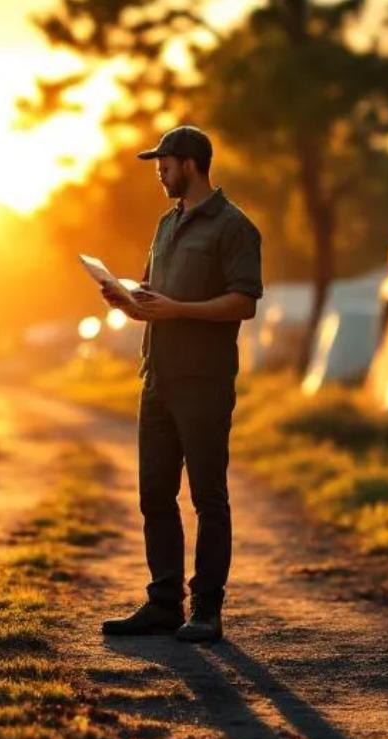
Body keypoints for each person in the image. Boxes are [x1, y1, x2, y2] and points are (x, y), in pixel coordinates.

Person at [100, 126, 263, 643]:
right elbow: (156, 300)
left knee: (208, 499)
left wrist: (177, 310)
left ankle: (207, 611)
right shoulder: (165, 225)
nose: (158, 171)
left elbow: (244, 302)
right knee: (154, 497)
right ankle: (163, 604)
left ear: (191, 164)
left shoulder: (235, 228)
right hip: (158, 381)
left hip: (205, 384)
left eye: (164, 163)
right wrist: (128, 302)